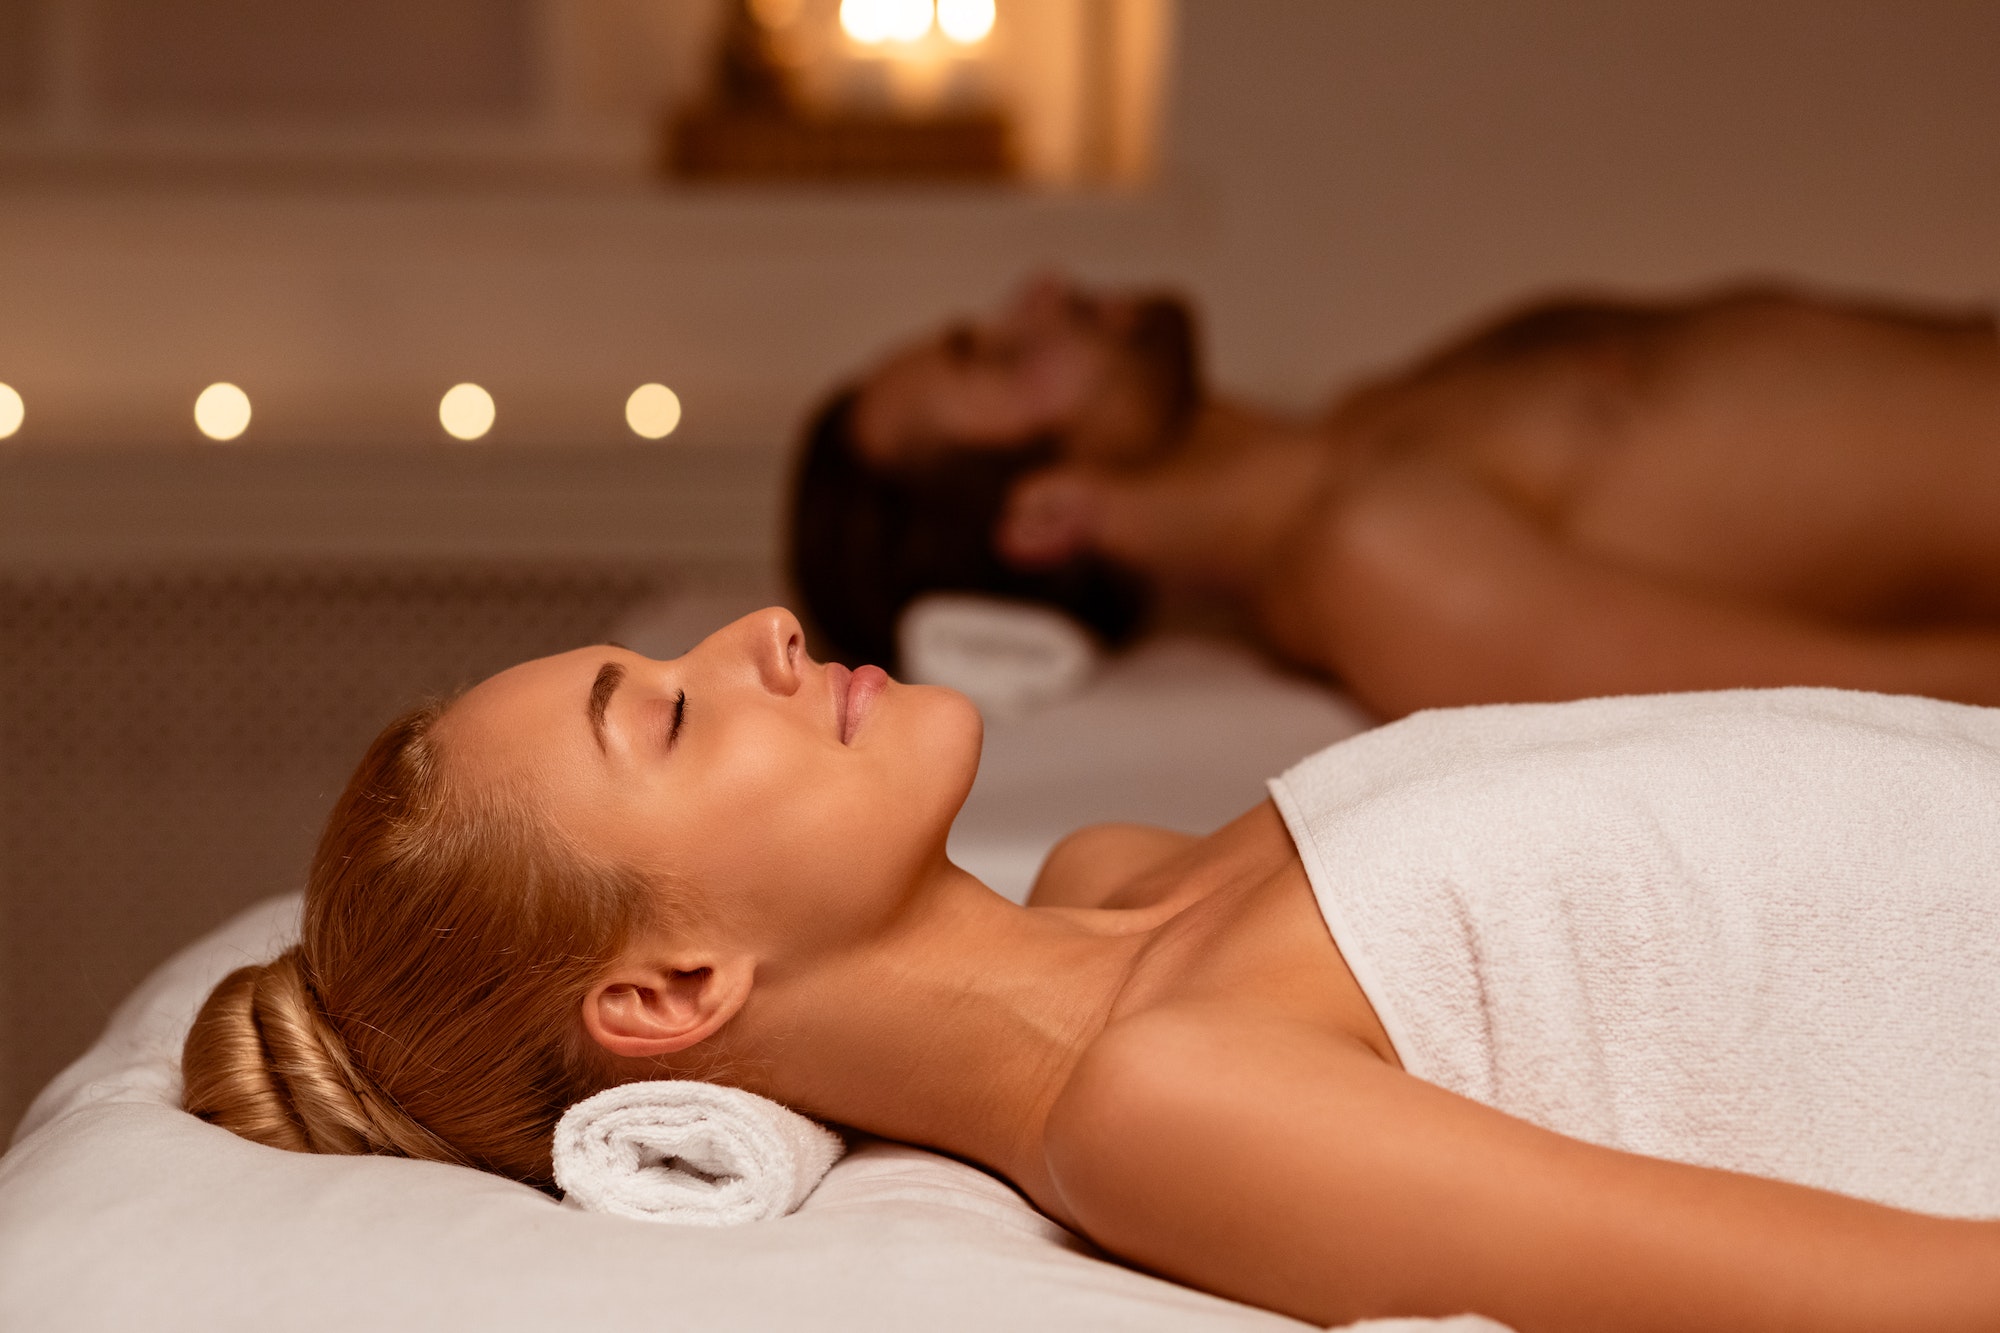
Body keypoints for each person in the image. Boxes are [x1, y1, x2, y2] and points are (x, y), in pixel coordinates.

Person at [183, 609, 2000, 1331]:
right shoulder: (1162, 1101)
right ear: (669, 992)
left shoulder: (1119, 874)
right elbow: (1892, 1301)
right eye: (663, 708)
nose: (760, 631)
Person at [790, 277, 2000, 715]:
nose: (1042, 291)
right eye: (1002, 361)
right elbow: (1875, 705)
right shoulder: (1384, 562)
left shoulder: (1391, 412)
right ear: (1044, 516)